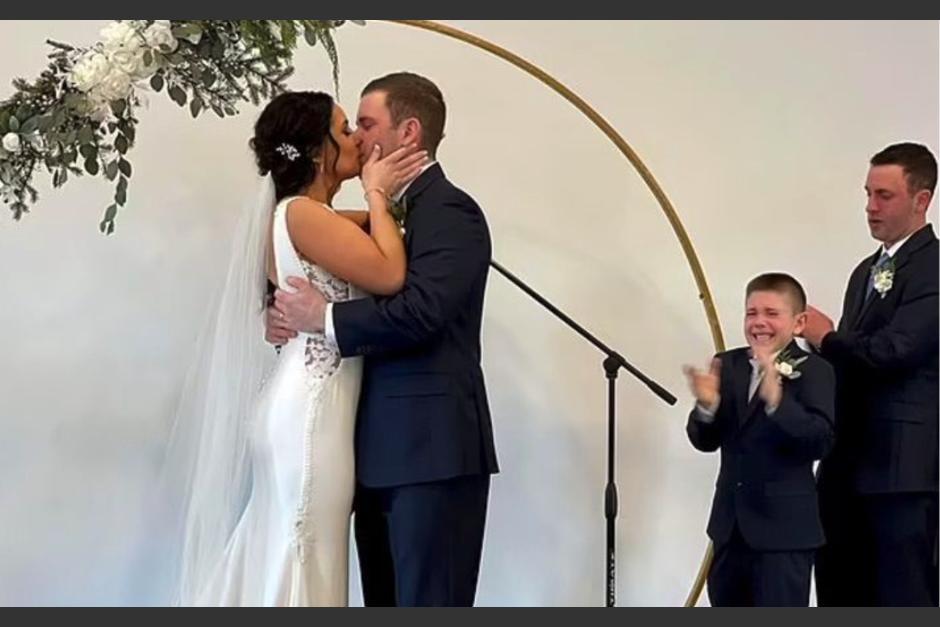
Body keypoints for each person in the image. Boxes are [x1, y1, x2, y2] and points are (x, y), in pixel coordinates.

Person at [167, 90, 427, 606]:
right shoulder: (304, 216)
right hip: (312, 418)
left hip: (299, 406)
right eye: (344, 128)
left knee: (287, 547)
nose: (356, 137)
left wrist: (378, 207)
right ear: (316, 150)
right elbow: (391, 273)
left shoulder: (303, 216)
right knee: (307, 547)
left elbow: (377, 233)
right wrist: (377, 194)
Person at [266, 72, 499, 606]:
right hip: (364, 451)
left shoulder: (451, 212)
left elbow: (422, 312)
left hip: (429, 450)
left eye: (366, 126)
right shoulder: (373, 213)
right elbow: (301, 242)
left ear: (409, 132)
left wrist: (322, 318)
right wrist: (273, 310)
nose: (357, 140)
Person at [803, 142, 939, 606]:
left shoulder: (933, 267)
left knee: (902, 594)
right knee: (841, 589)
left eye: (884, 196)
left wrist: (827, 338)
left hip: (901, 470)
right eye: (868, 194)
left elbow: (896, 351)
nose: (870, 207)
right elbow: (852, 363)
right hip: (848, 465)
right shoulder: (866, 271)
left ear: (921, 201)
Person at [684, 273, 835, 606]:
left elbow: (820, 441)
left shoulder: (815, 370)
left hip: (784, 533)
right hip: (729, 528)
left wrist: (777, 403)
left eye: (771, 313)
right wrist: (707, 408)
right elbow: (705, 441)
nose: (759, 322)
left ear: (798, 323)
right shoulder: (728, 364)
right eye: (751, 313)